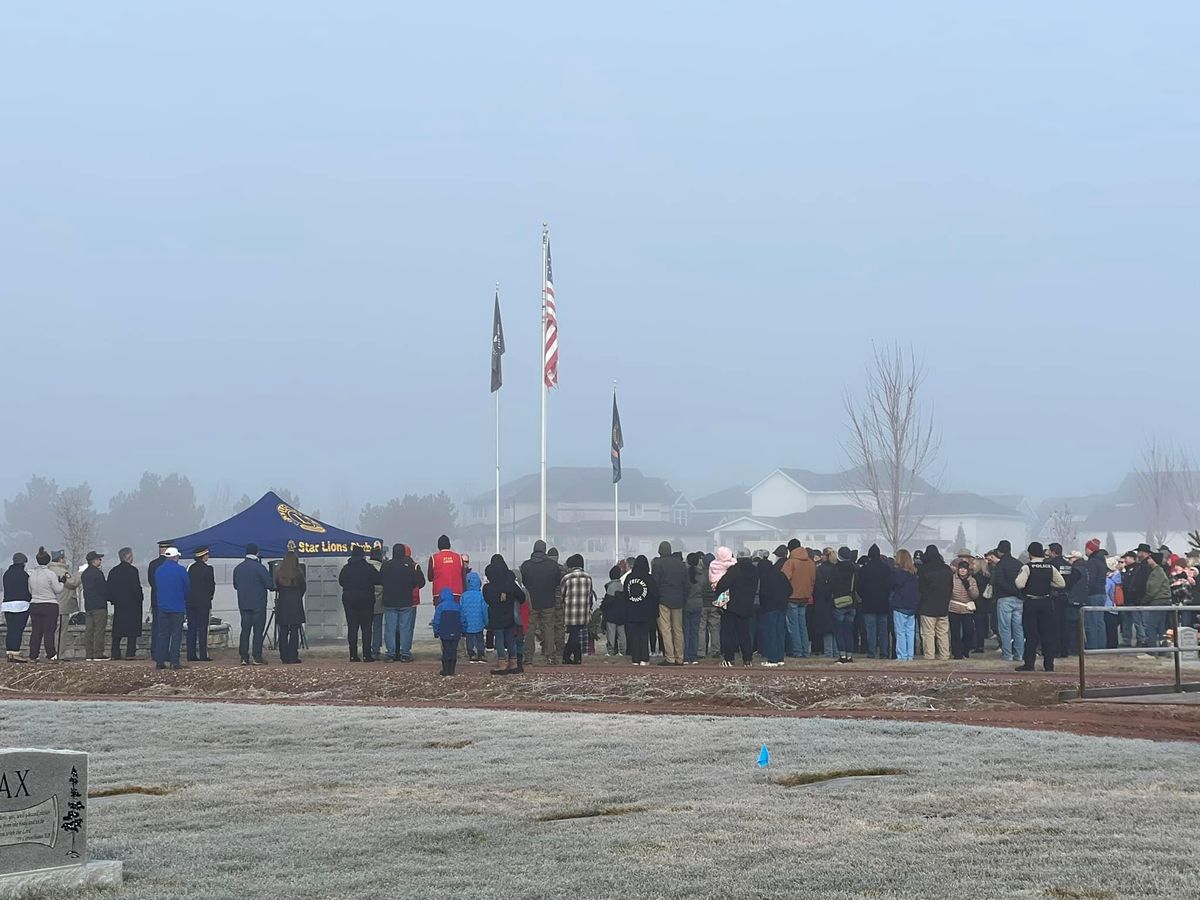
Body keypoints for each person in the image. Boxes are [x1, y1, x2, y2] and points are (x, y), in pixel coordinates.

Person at [1014, 541, 1066, 672]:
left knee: (1031, 636)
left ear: (1030, 554)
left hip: (1031, 602)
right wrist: (1047, 585)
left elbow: (1019, 584)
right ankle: (1049, 665)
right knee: (1047, 635)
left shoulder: (1027, 567)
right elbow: (1061, 583)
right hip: (1047, 603)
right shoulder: (1050, 567)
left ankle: (1029, 664)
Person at [379, 543, 426, 662]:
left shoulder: (386, 565)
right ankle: (405, 653)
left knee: (390, 629)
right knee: (405, 629)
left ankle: (391, 653)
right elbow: (418, 582)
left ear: (393, 553)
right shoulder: (410, 566)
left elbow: (380, 580)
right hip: (406, 601)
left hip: (389, 601)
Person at [520, 540, 562, 666]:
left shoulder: (526, 565)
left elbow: (525, 582)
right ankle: (550, 656)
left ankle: (528, 657)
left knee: (529, 629)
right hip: (548, 600)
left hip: (531, 601)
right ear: (544, 550)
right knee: (548, 628)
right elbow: (557, 582)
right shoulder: (552, 565)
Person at [484, 555, 526, 674]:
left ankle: (502, 663)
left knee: (499, 639)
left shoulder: (488, 587)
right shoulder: (510, 583)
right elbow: (522, 598)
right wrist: (508, 596)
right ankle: (513, 663)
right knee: (510, 639)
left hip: (495, 616)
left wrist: (498, 598)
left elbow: (487, 600)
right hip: (509, 615)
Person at [715, 549, 757, 668]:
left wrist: (720, 600)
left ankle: (729, 659)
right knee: (745, 634)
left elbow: (722, 585)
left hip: (732, 606)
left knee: (730, 634)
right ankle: (747, 660)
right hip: (747, 605)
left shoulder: (734, 569)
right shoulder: (754, 571)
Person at [233, 543, 273, 666]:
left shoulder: (238, 568)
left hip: (244, 604)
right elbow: (270, 585)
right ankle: (257, 657)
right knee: (257, 631)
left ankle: (244, 658)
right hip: (258, 605)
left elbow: (235, 586)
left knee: (245, 631)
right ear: (257, 553)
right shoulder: (260, 568)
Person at [339, 546, 380, 662]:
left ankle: (353, 655)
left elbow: (341, 581)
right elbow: (378, 580)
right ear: (363, 555)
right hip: (366, 600)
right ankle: (367, 655)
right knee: (366, 628)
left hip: (349, 600)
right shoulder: (369, 568)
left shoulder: (346, 568)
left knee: (352, 628)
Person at [651, 541, 687, 667]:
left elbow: (655, 583)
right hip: (678, 600)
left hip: (663, 600)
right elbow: (686, 583)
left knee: (665, 629)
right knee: (678, 629)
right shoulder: (681, 564)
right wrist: (684, 598)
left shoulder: (657, 564)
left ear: (660, 551)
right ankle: (680, 657)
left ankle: (670, 657)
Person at [152, 548, 189, 670]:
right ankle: (174, 661)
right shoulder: (181, 570)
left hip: (162, 606)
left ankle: (160, 660)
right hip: (177, 606)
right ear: (176, 557)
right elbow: (187, 588)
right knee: (176, 634)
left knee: (162, 634)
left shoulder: (159, 570)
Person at [107, 548, 145, 661]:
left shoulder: (113, 571)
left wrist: (113, 600)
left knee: (118, 629)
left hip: (119, 605)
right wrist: (140, 598)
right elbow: (136, 588)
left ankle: (115, 653)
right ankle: (130, 652)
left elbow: (108, 589)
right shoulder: (133, 571)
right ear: (128, 557)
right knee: (132, 630)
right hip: (132, 604)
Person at [26, 548, 63, 662]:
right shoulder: (50, 574)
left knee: (36, 631)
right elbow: (58, 590)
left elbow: (30, 591)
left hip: (35, 604)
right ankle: (51, 654)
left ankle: (33, 655)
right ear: (48, 561)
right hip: (49, 604)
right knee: (49, 631)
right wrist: (62, 582)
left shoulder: (32, 575)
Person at [990, 540, 1025, 662]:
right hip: (1019, 600)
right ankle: (1020, 654)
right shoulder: (1019, 564)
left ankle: (1007, 654)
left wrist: (1010, 591)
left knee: (1005, 628)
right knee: (1018, 628)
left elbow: (999, 582)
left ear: (1000, 551)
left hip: (1004, 599)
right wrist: (1018, 592)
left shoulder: (1000, 565)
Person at [917, 545, 953, 661]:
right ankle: (944, 655)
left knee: (928, 633)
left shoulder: (923, 569)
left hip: (927, 606)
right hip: (943, 606)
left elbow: (920, 588)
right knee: (943, 633)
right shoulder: (947, 569)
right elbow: (950, 587)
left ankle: (929, 656)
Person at [856, 545, 892, 659]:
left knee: (870, 630)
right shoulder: (886, 568)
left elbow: (859, 587)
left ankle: (871, 652)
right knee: (883, 630)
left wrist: (864, 596)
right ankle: (884, 652)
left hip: (868, 603)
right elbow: (890, 585)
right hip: (883, 603)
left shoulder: (864, 569)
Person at [781, 539, 815, 658]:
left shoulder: (790, 562)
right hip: (805, 597)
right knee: (803, 625)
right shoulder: (810, 562)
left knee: (793, 625)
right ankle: (805, 650)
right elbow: (813, 580)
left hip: (792, 598)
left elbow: (784, 580)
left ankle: (797, 651)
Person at [756, 550, 790, 667]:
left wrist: (763, 606)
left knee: (770, 633)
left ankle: (772, 659)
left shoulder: (765, 578)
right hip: (782, 607)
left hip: (769, 608)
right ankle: (780, 658)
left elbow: (763, 594)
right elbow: (790, 589)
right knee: (780, 632)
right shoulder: (781, 574)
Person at [622, 556, 658, 666]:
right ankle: (644, 658)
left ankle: (635, 659)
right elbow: (655, 594)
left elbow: (625, 594)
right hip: (646, 611)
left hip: (631, 610)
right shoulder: (649, 578)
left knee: (634, 636)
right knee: (644, 635)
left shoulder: (629, 578)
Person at [274, 550, 306, 664]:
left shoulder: (280, 573)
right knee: (294, 630)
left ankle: (284, 656)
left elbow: (277, 587)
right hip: (296, 603)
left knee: (283, 630)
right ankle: (293, 656)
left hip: (283, 603)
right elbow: (303, 588)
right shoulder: (298, 573)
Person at [559, 555, 593, 665]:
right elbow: (590, 595)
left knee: (573, 635)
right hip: (583, 611)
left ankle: (573, 658)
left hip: (570, 612)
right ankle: (570, 658)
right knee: (575, 633)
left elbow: (562, 596)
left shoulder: (567, 578)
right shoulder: (588, 577)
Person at [829, 547, 859, 664]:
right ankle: (849, 656)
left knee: (839, 631)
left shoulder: (835, 569)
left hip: (838, 602)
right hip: (851, 602)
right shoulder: (854, 569)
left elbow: (831, 585)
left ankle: (842, 655)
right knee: (848, 630)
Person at [1046, 543, 1076, 659]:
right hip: (1065, 597)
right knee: (1064, 625)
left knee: (1054, 625)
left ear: (1053, 552)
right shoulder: (1068, 565)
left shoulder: (1051, 565)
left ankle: (1055, 650)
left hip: (1054, 597)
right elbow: (1074, 578)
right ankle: (1065, 650)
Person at [186, 547, 215, 662]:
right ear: (204, 556)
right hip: (203, 603)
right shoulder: (208, 569)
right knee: (203, 629)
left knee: (191, 629)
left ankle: (191, 654)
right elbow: (211, 586)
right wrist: (210, 597)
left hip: (191, 602)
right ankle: (203, 654)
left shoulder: (190, 568)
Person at [706, 547, 737, 658]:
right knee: (718, 626)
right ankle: (718, 649)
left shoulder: (713, 565)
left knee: (720, 624)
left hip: (717, 594)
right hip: (728, 595)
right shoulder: (732, 565)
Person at [890, 549, 920, 661]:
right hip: (912, 606)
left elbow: (891, 585)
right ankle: (910, 655)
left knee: (900, 632)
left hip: (900, 605)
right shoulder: (914, 574)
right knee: (910, 632)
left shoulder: (896, 573)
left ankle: (902, 656)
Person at [948, 557, 980, 659]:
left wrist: (968, 587)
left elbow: (975, 595)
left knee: (969, 631)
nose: (962, 570)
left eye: (965, 568)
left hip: (967, 609)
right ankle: (957, 653)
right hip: (953, 608)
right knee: (955, 632)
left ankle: (965, 650)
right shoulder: (952, 579)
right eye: (961, 568)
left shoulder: (972, 580)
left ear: (968, 570)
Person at [3, 553, 32, 663]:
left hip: (7, 604)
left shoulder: (6, 574)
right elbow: (28, 591)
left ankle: (9, 652)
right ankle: (15, 652)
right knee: (18, 629)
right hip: (21, 605)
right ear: (23, 563)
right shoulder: (24, 575)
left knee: (11, 629)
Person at [47, 550, 80, 644]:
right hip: (62, 603)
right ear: (60, 559)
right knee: (61, 630)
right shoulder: (61, 571)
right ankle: (59, 653)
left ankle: (53, 652)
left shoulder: (49, 570)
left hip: (52, 603)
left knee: (52, 629)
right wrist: (80, 573)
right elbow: (73, 583)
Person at [80, 550, 108, 660]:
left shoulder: (85, 574)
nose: (100, 561)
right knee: (99, 630)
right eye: (99, 559)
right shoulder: (98, 573)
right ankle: (98, 653)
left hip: (88, 605)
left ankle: (89, 654)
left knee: (89, 630)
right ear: (94, 561)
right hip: (99, 605)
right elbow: (103, 589)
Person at [1141, 549, 1172, 647]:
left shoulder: (1157, 572)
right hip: (1162, 601)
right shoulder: (1157, 571)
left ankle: (1152, 648)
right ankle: (1163, 648)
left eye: (1149, 558)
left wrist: (1144, 601)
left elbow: (1153, 588)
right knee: (1160, 626)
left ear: (1154, 560)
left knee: (1151, 625)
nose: (1148, 560)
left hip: (1159, 601)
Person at [146, 541, 171, 660]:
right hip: (167, 599)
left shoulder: (153, 564)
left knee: (156, 627)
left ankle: (155, 652)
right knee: (166, 628)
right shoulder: (170, 564)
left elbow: (151, 582)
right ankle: (165, 653)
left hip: (156, 599)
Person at [811, 548, 838, 659]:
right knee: (835, 627)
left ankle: (828, 652)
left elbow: (817, 586)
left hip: (822, 601)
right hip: (835, 600)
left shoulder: (820, 569)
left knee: (826, 628)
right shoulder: (837, 568)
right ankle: (836, 651)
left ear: (825, 556)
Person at [1083, 538, 1109, 650]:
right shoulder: (1102, 561)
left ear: (1090, 549)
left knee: (1091, 622)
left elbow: (1090, 579)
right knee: (1099, 621)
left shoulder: (1092, 562)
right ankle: (1101, 645)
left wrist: (1086, 593)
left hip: (1093, 594)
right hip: (1102, 593)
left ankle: (1092, 647)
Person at [431, 587, 463, 676]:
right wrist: (463, 630)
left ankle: (445, 670)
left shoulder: (440, 607)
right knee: (454, 650)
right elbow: (462, 619)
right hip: (456, 633)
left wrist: (436, 631)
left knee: (446, 651)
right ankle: (452, 670)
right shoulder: (458, 606)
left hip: (444, 633)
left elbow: (436, 620)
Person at [459, 571, 488, 663]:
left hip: (468, 622)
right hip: (479, 621)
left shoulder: (464, 596)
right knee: (480, 638)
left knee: (469, 639)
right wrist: (486, 621)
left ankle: (471, 654)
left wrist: (462, 622)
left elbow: (461, 610)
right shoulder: (481, 595)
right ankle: (481, 654)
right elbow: (484, 610)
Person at [427, 535, 466, 604]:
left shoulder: (433, 558)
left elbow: (430, 577)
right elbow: (463, 576)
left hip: (439, 593)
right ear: (449, 545)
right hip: (456, 593)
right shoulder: (459, 557)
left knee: (440, 613)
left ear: (438, 546)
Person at [683, 553, 705, 665]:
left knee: (685, 631)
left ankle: (685, 656)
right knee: (695, 632)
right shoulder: (702, 575)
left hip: (686, 604)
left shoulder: (684, 574)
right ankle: (694, 656)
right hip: (698, 604)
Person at [601, 565, 626, 657]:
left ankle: (611, 651)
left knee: (611, 634)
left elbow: (608, 601)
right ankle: (623, 651)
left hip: (611, 614)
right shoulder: (622, 585)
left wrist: (602, 607)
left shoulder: (611, 586)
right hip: (622, 614)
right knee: (622, 634)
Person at [972, 555, 993, 653]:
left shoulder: (975, 577)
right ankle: (981, 645)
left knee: (977, 625)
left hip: (977, 602)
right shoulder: (988, 577)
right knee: (983, 624)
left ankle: (978, 646)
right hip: (986, 603)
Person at [368, 547, 385, 660]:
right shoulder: (383, 567)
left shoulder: (366, 566)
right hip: (380, 601)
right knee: (378, 627)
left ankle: (367, 648)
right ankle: (376, 650)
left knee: (367, 627)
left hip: (367, 601)